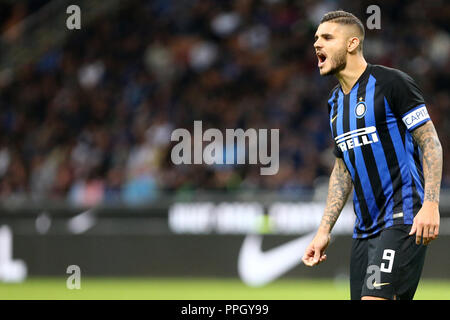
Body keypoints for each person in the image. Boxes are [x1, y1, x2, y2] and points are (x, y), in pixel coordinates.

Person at [302, 10, 443, 300]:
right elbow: (342, 169)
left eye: (327, 37)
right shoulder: (335, 104)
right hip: (364, 229)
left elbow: (430, 141)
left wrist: (430, 204)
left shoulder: (391, 83)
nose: (317, 44)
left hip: (403, 216)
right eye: (316, 38)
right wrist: (323, 230)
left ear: (352, 44)